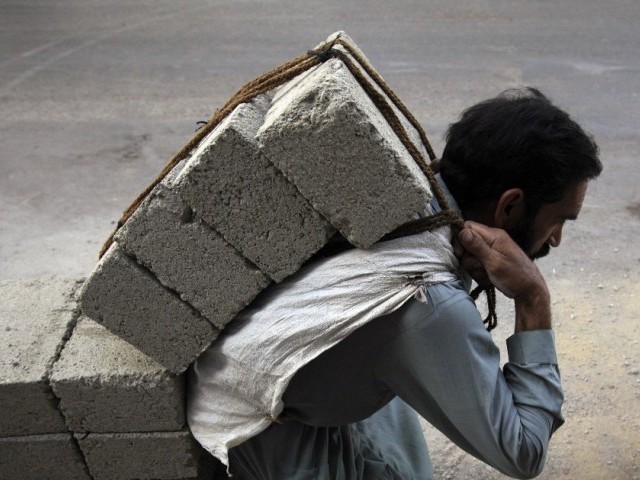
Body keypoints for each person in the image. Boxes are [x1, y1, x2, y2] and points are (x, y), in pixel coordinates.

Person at [188, 87, 602, 479]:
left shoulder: (413, 198)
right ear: (510, 205)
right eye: (559, 219)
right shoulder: (427, 297)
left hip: (279, 381)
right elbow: (524, 452)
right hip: (260, 423)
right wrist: (533, 298)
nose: (556, 239)